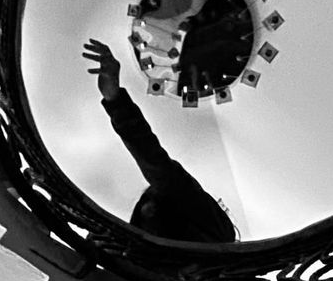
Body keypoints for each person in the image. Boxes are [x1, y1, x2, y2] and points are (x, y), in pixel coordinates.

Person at [83, 39, 236, 244]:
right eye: (149, 209)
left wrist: (115, 100)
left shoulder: (213, 229)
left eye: (148, 208)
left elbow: (151, 157)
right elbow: (151, 158)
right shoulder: (213, 233)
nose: (148, 209)